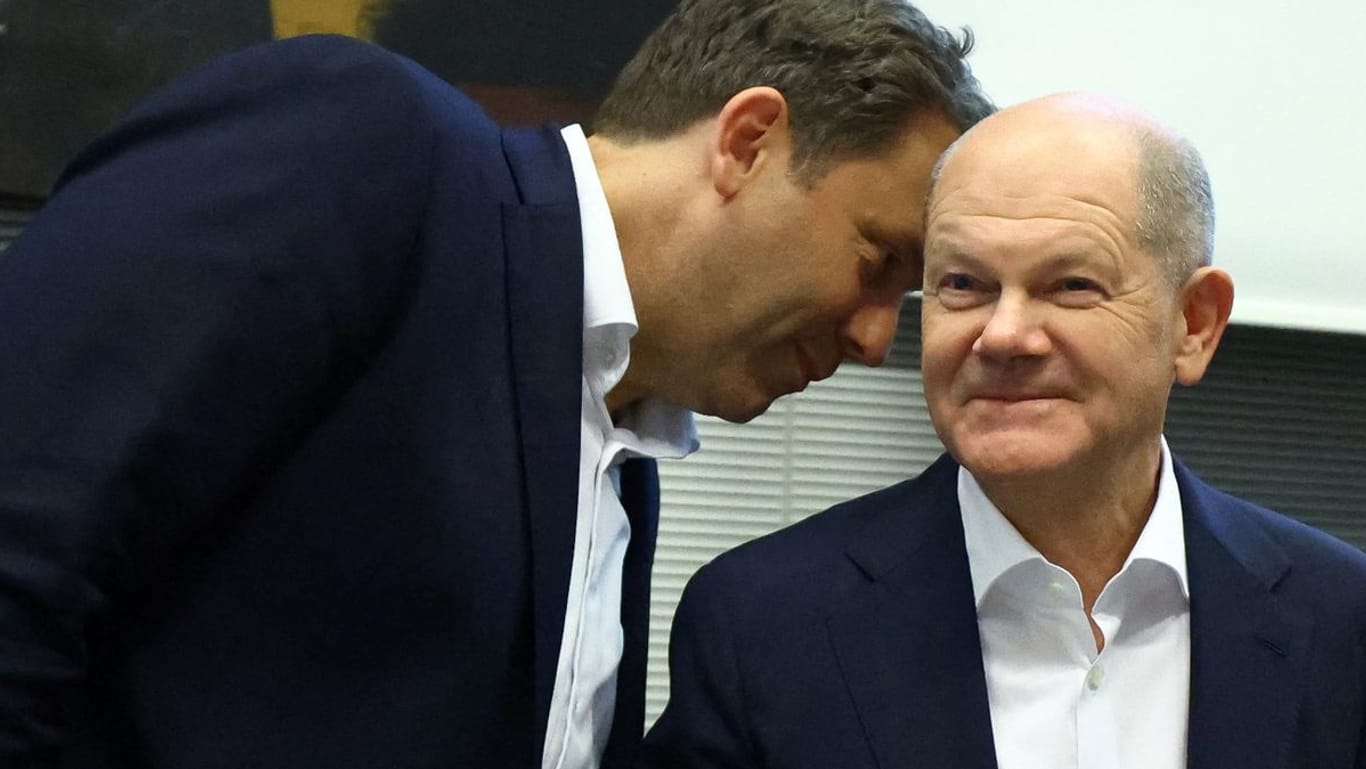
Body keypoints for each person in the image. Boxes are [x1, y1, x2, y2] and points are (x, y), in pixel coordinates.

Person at [0, 1, 991, 767]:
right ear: (746, 141)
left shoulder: (621, 457)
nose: (872, 339)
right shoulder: (368, 144)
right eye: (877, 261)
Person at [641, 93, 1366, 769]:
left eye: (1071, 285)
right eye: (964, 284)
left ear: (1195, 324)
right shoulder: (764, 623)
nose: (1005, 334)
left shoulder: (1341, 622)